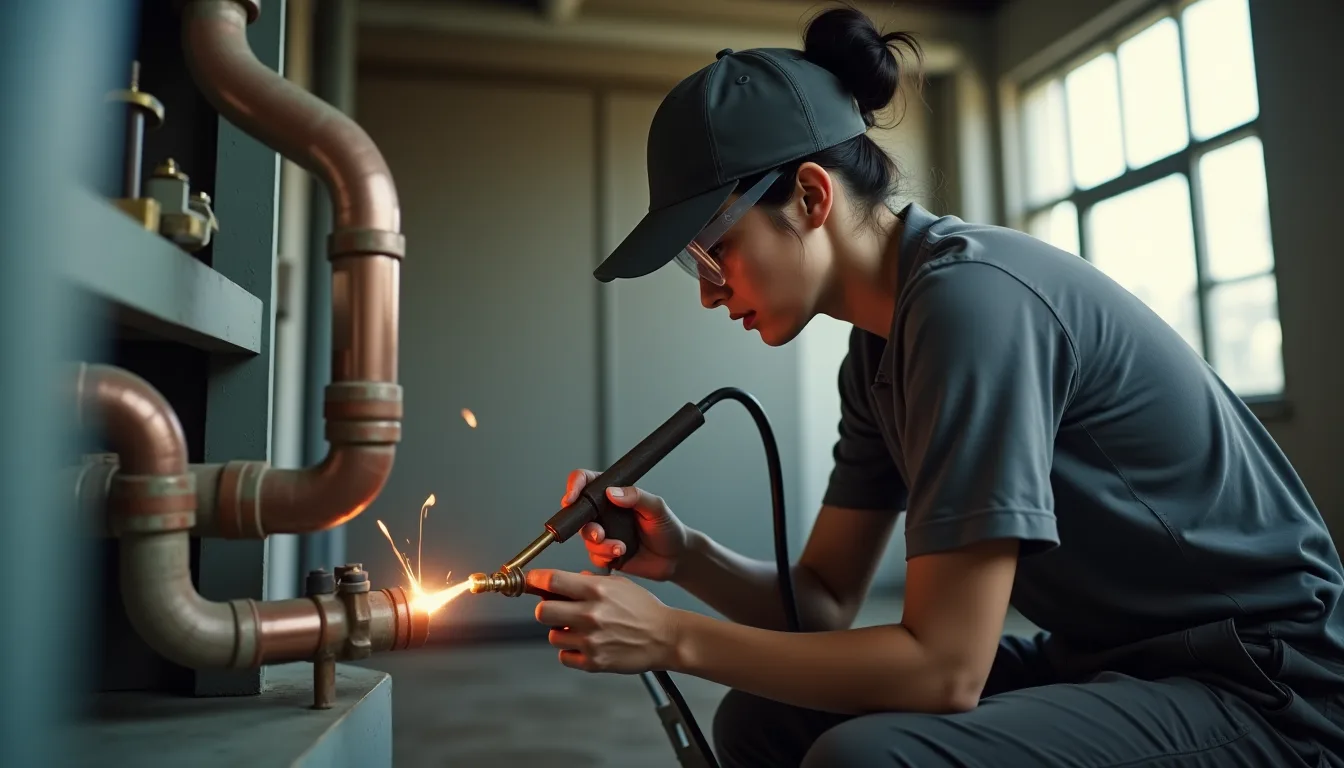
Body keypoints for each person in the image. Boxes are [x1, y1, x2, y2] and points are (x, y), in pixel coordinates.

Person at [523, 6, 1344, 766]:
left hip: (1264, 684)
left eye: (711, 251)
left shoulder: (971, 304)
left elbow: (945, 668)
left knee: (867, 760)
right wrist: (686, 557)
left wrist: (673, 640)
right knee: (759, 719)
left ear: (810, 196)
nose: (707, 290)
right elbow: (825, 599)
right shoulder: (878, 355)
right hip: (1109, 656)